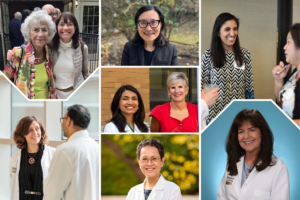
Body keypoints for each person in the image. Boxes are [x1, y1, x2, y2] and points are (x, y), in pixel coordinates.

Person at [217, 109, 289, 199]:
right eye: (241, 131)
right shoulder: (231, 164)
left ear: (262, 133)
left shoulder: (278, 167)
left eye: (252, 130)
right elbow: (221, 197)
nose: (246, 136)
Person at [201, 13, 254, 124]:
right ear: (218, 32)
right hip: (214, 118)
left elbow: (249, 88)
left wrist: (251, 114)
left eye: (235, 29)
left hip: (239, 116)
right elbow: (203, 91)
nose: (232, 33)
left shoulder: (245, 55)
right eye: (227, 29)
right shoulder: (208, 56)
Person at [43, 104, 99, 200]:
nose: (62, 123)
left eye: (63, 119)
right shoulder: (96, 147)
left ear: (68, 121)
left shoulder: (65, 150)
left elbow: (52, 193)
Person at [3, 10, 57, 99]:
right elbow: (4, 79)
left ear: (49, 32)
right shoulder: (18, 53)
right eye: (35, 30)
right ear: (29, 32)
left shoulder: (50, 53)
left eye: (44, 30)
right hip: (24, 108)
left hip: (46, 106)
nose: (40, 34)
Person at [9, 116, 55, 200]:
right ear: (22, 134)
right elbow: (13, 185)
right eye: (30, 130)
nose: (35, 133)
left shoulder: (53, 154)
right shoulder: (15, 157)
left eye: (37, 129)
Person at [49, 12, 89, 99]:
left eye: (69, 24)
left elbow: (85, 73)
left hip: (77, 95)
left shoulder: (83, 48)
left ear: (75, 28)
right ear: (56, 27)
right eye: (62, 24)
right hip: (55, 95)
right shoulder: (50, 48)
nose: (65, 28)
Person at [272, 23, 300, 119]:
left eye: (288, 42)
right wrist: (278, 80)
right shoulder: (295, 73)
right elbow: (282, 101)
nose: (284, 47)